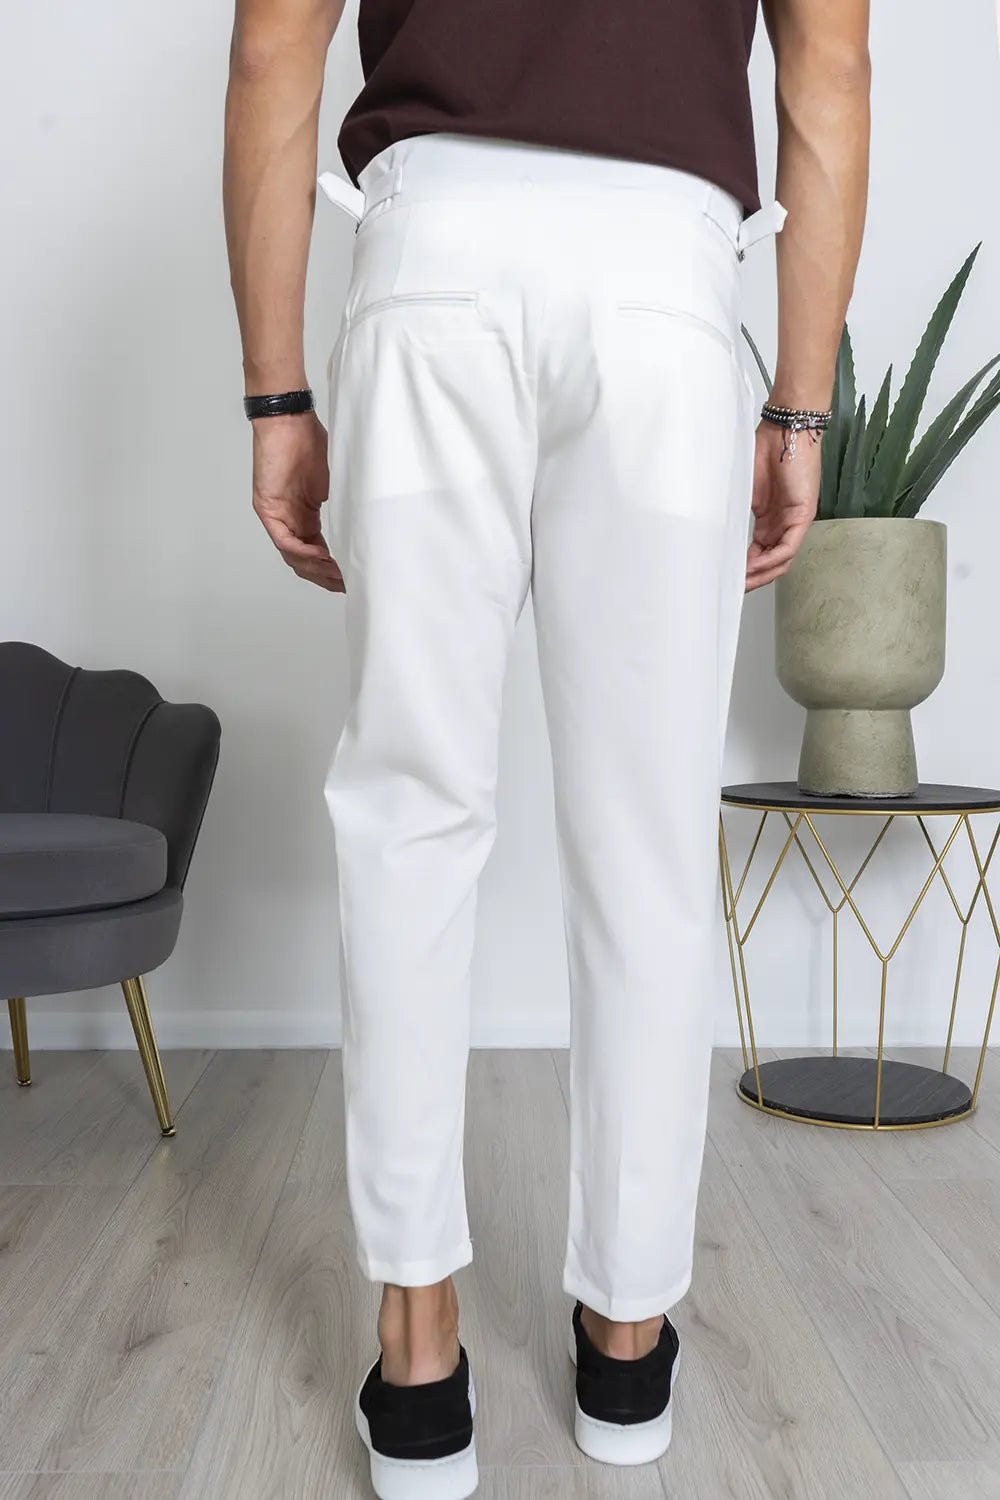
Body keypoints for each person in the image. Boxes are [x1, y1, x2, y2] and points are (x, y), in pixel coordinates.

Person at [223, 0, 871, 1493]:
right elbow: (831, 66)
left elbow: (271, 51)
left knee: (409, 820)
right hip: (660, 282)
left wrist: (276, 393)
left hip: (433, 261)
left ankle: (417, 1361)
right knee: (645, 844)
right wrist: (800, 403)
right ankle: (626, 1345)